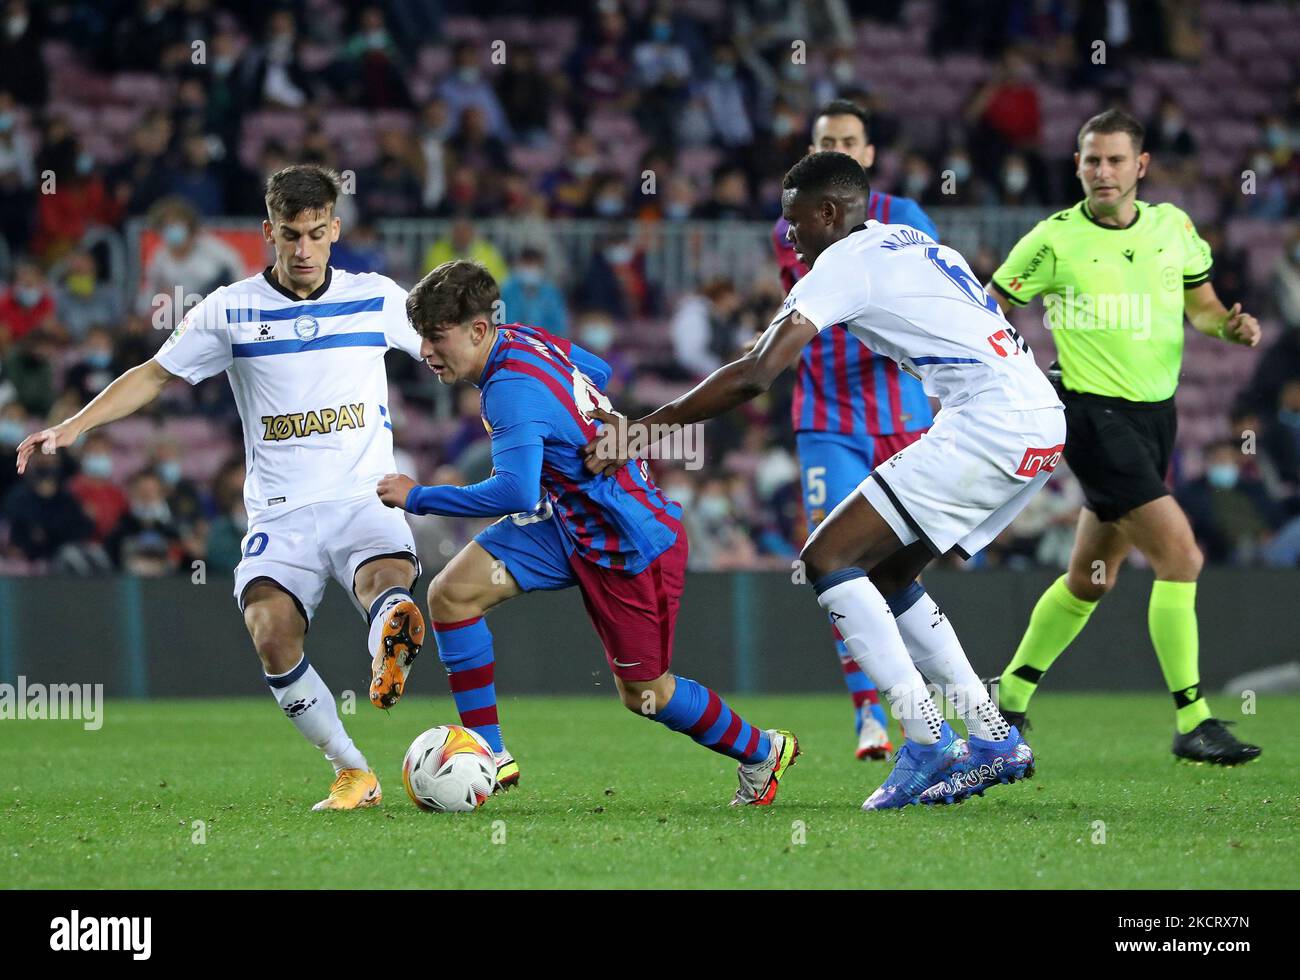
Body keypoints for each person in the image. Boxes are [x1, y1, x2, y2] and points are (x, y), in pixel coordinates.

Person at [587, 151, 1063, 811]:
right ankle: (992, 737)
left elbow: (757, 373)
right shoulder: (915, 243)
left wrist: (643, 429)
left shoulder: (844, 262)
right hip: (1038, 419)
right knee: (891, 573)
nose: (789, 237)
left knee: (828, 558)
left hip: (991, 421)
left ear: (831, 213)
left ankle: (928, 740)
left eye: (796, 221)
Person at [16, 165, 428, 811]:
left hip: (362, 497)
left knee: (385, 581)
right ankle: (353, 771)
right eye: (290, 235)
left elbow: (445, 345)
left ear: (335, 231)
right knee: (270, 633)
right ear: (267, 231)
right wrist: (74, 425)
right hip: (282, 514)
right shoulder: (230, 308)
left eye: (316, 234)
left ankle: (390, 636)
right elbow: (154, 375)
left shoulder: (375, 296)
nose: (302, 250)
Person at [375, 259, 799, 806]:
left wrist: (418, 496)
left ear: (478, 330)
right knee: (451, 595)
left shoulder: (507, 389)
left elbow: (515, 494)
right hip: (566, 522)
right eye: (422, 338)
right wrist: (600, 425)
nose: (426, 353)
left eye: (436, 338)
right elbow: (594, 369)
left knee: (647, 693)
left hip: (627, 542)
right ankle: (492, 753)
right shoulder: (521, 338)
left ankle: (762, 750)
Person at [989, 110, 1263, 765]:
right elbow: (988, 308)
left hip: (1153, 417)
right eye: (1091, 161)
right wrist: (1017, 375)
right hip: (1089, 414)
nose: (1102, 172)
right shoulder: (1052, 239)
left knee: (1090, 578)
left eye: (1115, 160)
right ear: (1078, 165)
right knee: (1181, 556)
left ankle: (1008, 701)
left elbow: (1198, 303)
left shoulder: (1174, 229)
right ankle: (1193, 719)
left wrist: (1228, 326)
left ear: (1141, 165)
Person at [771, 98, 937, 760]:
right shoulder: (791, 224)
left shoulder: (909, 218)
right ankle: (871, 713)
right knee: (834, 558)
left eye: (848, 139)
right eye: (824, 140)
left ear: (868, 155)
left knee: (899, 568)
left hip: (901, 410)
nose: (837, 146)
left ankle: (924, 707)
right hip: (827, 416)